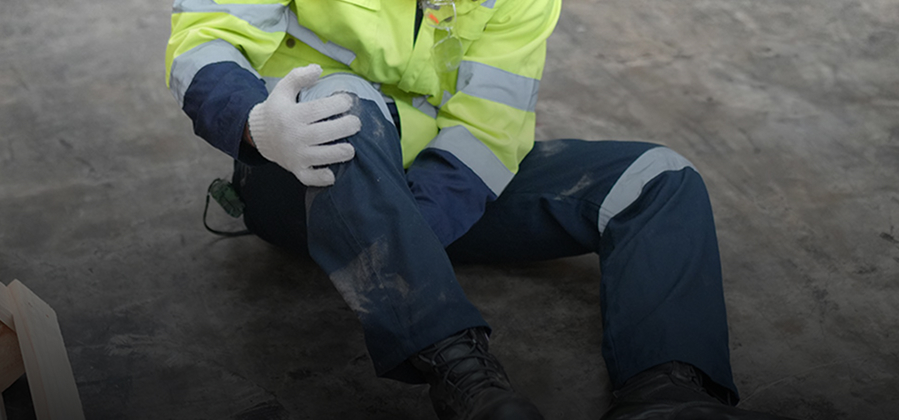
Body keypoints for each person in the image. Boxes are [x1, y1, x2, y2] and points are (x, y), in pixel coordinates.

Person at [165, 0, 797, 419]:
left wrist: (405, 222)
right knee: (342, 103)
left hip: (429, 188)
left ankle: (671, 389)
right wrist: (253, 124)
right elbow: (204, 38)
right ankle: (465, 376)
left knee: (658, 178)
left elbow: (491, 123)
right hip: (297, 160)